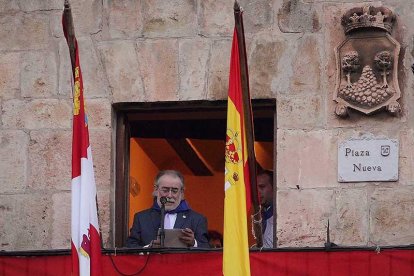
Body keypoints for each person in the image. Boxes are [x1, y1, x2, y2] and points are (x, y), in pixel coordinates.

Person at [126, 170, 210, 248]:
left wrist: (193, 243)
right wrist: (149, 248)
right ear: (156, 189)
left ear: (182, 192)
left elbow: (207, 250)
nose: (169, 195)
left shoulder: (197, 219)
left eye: (174, 191)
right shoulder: (141, 218)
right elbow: (130, 247)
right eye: (165, 190)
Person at [257, 170, 274, 248]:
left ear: (274, 188)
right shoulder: (260, 215)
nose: (258, 192)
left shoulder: (284, 215)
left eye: (262, 187)